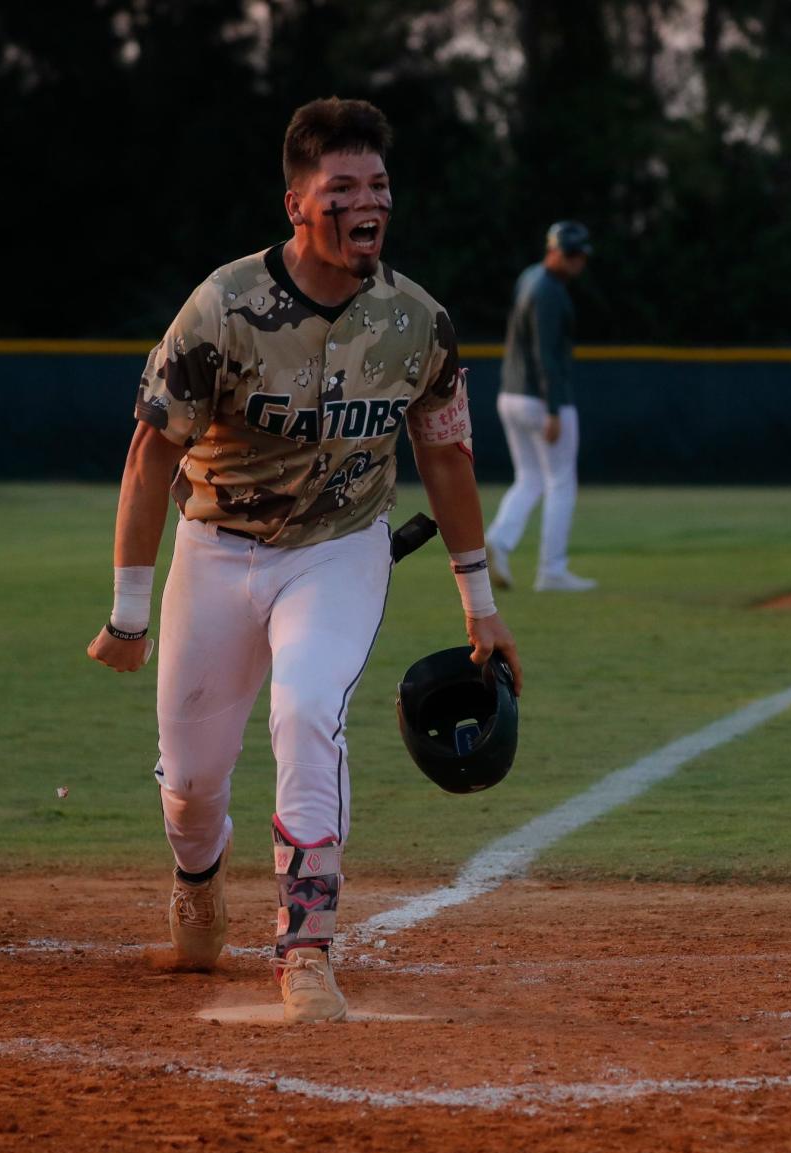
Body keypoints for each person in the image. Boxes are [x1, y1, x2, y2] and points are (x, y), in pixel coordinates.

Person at [87, 97, 522, 1024]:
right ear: (297, 203)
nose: (367, 202)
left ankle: (307, 946)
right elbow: (151, 450)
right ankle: (199, 880)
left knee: (307, 710)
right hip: (214, 550)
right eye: (342, 187)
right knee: (193, 781)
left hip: (337, 552)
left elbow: (446, 457)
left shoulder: (418, 324)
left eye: (378, 185)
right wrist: (131, 609)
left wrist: (478, 602)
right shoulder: (223, 308)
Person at [485, 220, 597, 592]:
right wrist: (553, 408)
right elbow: (545, 354)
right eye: (574, 254)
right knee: (561, 482)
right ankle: (552, 570)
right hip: (540, 399)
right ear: (559, 252)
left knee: (530, 478)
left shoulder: (529, 277)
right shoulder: (550, 292)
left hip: (511, 394)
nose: (579, 262)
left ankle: (498, 542)